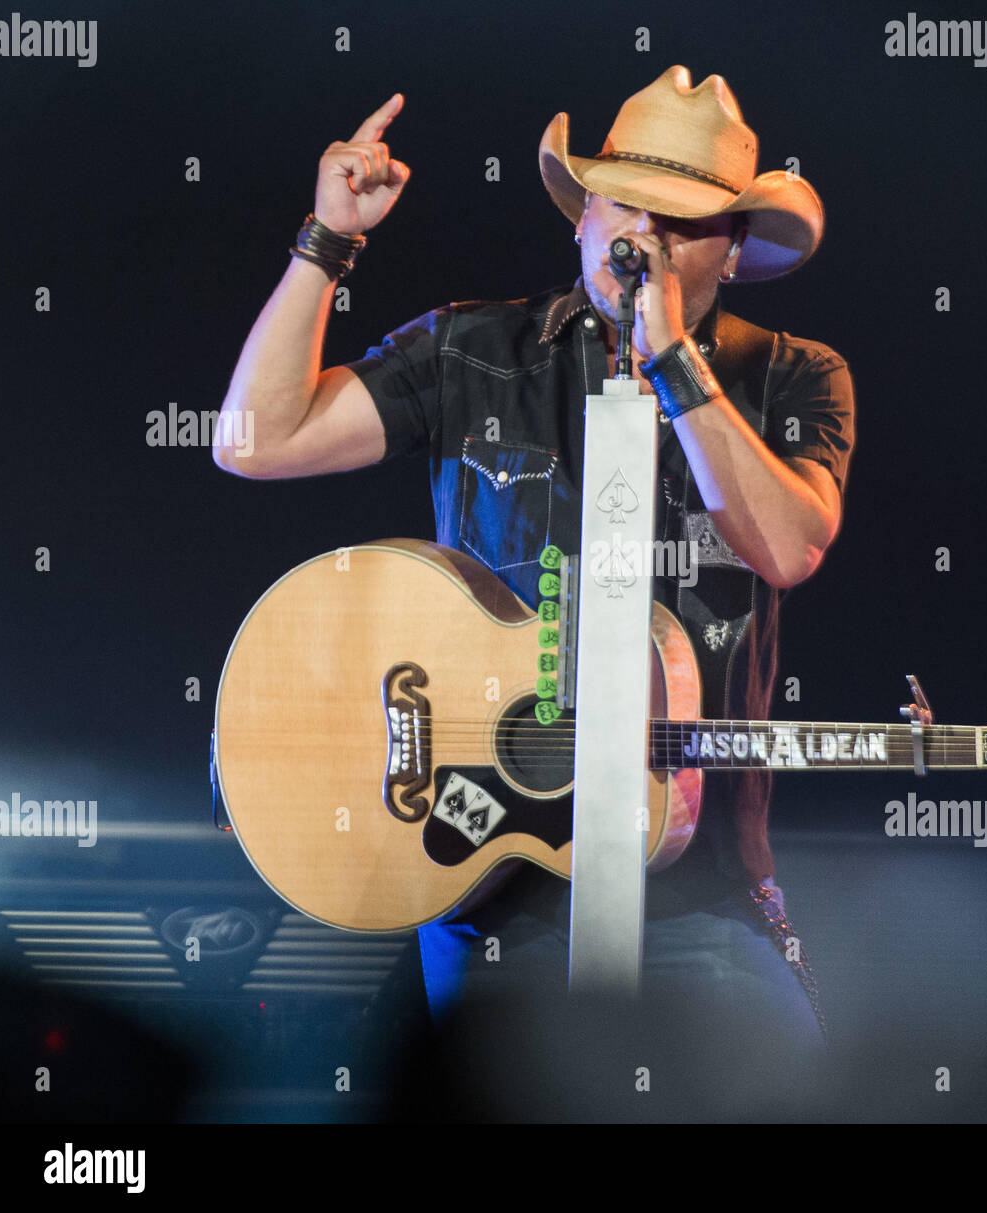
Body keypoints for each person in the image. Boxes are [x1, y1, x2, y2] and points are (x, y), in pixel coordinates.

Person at [215, 67, 855, 1111]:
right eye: (621, 202)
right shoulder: (475, 348)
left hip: (696, 887)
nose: (637, 236)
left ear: (731, 249)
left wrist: (673, 363)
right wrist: (326, 243)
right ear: (580, 215)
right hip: (488, 871)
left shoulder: (793, 375)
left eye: (678, 220)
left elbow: (785, 547)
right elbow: (253, 441)